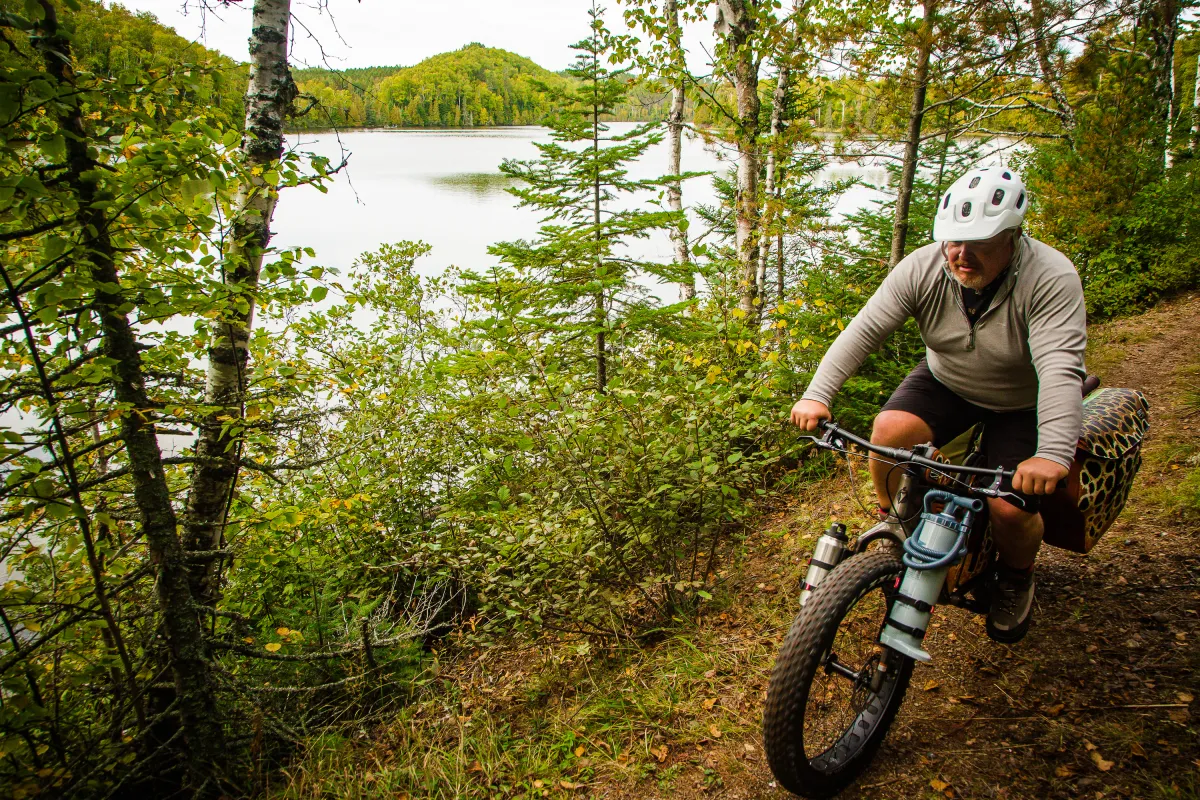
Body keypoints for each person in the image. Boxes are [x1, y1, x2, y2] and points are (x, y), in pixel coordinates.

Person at [789, 166, 1086, 644]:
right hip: (947, 377)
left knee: (1009, 508)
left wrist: (1051, 453)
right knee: (889, 432)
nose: (960, 255)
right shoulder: (925, 267)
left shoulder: (1049, 277)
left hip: (1021, 398)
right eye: (952, 240)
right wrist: (817, 393)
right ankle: (900, 524)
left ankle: (1015, 575)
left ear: (1012, 237)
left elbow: (1058, 369)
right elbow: (863, 331)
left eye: (978, 243)